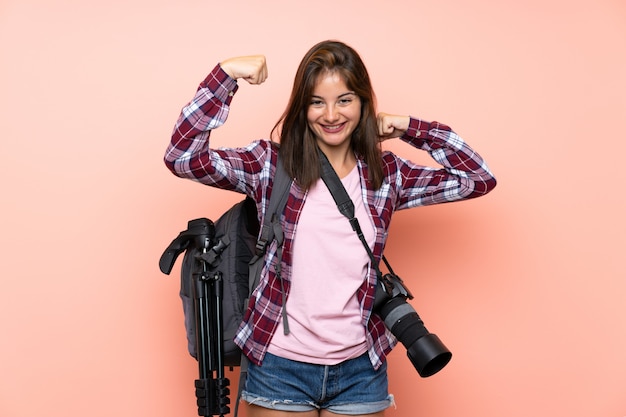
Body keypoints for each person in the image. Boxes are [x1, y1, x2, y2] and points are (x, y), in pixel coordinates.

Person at [165, 40, 496, 417]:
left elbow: (477, 179)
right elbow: (183, 157)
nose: (331, 114)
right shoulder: (271, 166)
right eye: (317, 102)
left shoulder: (386, 175)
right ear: (302, 107)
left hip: (360, 368)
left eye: (345, 100)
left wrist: (410, 128)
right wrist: (224, 77)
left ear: (363, 104)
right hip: (278, 366)